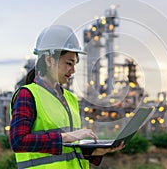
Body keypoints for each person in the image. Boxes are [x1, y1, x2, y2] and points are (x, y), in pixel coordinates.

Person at [9, 25, 124, 169]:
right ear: (49, 60)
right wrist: (66, 137)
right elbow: (18, 141)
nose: (73, 70)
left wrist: (96, 152)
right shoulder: (27, 95)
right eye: (69, 63)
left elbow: (67, 151)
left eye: (74, 64)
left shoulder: (70, 99)